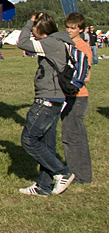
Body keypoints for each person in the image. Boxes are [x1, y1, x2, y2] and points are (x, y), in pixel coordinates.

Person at [15, 12, 75, 196]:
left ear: (41, 28)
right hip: (56, 99)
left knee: (29, 139)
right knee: (46, 143)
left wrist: (28, 22)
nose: (32, 30)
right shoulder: (60, 41)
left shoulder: (50, 42)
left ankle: (62, 172)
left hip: (47, 99)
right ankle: (43, 186)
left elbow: (22, 43)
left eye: (35, 27)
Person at [62, 13, 93, 184]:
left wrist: (68, 79)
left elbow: (86, 75)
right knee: (75, 135)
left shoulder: (82, 47)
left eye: (73, 28)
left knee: (71, 136)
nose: (69, 30)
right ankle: (81, 174)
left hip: (78, 96)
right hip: (69, 96)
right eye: (67, 27)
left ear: (80, 29)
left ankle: (76, 175)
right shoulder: (70, 44)